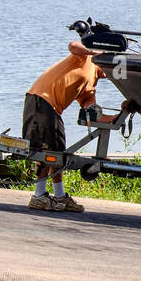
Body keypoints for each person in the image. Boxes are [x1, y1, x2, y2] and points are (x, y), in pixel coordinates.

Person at [21, 39, 106, 212]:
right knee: (44, 152)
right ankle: (38, 197)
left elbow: (92, 109)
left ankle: (59, 196)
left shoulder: (92, 81)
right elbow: (73, 45)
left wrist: (122, 114)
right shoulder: (85, 59)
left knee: (58, 153)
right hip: (41, 100)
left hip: (52, 109)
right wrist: (95, 52)